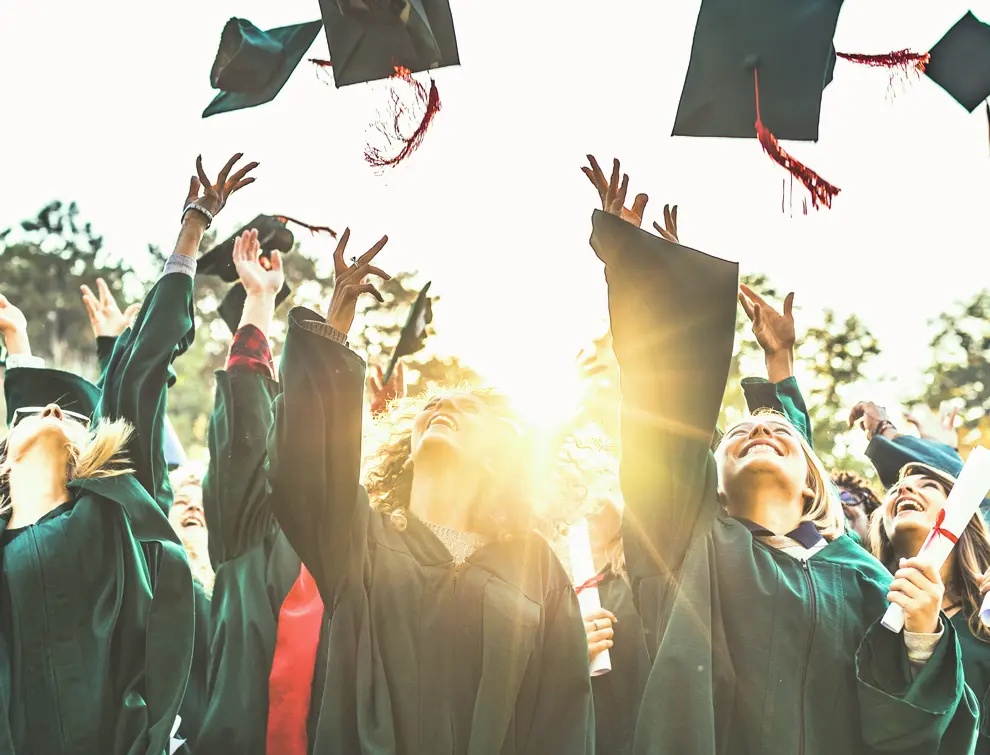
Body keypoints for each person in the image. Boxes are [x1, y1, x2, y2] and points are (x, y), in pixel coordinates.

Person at [583, 153, 978, 754]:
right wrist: (648, 278)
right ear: (710, 481)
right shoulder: (686, 541)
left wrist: (922, 634)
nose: (757, 432)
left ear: (812, 485)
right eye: (736, 435)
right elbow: (663, 415)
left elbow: (913, 733)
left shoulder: (865, 579)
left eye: (781, 437)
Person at [263, 227, 594, 754]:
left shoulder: (534, 566)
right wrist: (334, 329)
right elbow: (303, 467)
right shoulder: (357, 538)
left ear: (497, 455)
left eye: (466, 410)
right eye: (430, 408)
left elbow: (563, 716)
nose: (441, 409)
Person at [0, 151, 254, 752]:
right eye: (34, 409)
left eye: (67, 411)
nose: (56, 408)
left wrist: (191, 231)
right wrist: (18, 345)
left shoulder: (110, 515)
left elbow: (137, 378)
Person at [869, 460, 990, 752]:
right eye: (894, 490)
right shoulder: (863, 608)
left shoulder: (984, 618)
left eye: (929, 485)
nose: (905, 489)